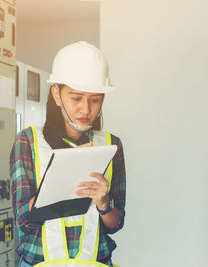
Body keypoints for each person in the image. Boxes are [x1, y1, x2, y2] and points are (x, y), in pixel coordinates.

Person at [10, 41, 126, 267]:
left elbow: (116, 224)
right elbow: (23, 220)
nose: (85, 109)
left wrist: (104, 203)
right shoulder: (28, 141)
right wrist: (59, 179)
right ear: (56, 94)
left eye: (95, 99)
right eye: (76, 98)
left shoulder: (112, 145)